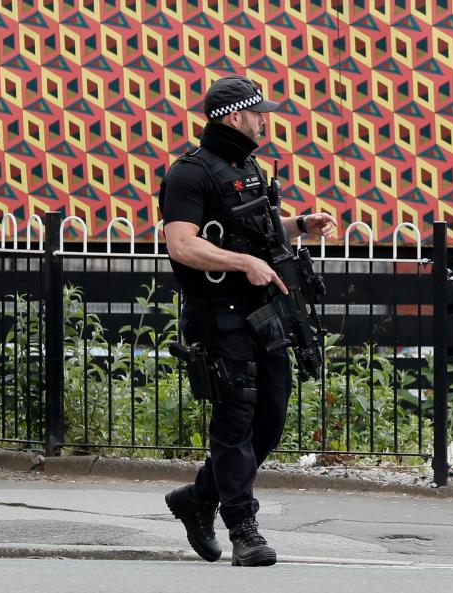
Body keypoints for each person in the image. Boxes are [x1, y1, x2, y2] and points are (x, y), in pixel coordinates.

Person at [158, 75, 337, 567]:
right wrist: (243, 265)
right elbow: (181, 243)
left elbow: (251, 229)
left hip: (264, 312)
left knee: (270, 419)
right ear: (235, 117)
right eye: (261, 113)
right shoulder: (189, 174)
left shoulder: (250, 167)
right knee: (234, 419)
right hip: (220, 317)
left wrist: (300, 225)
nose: (267, 121)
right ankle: (244, 529)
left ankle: (197, 498)